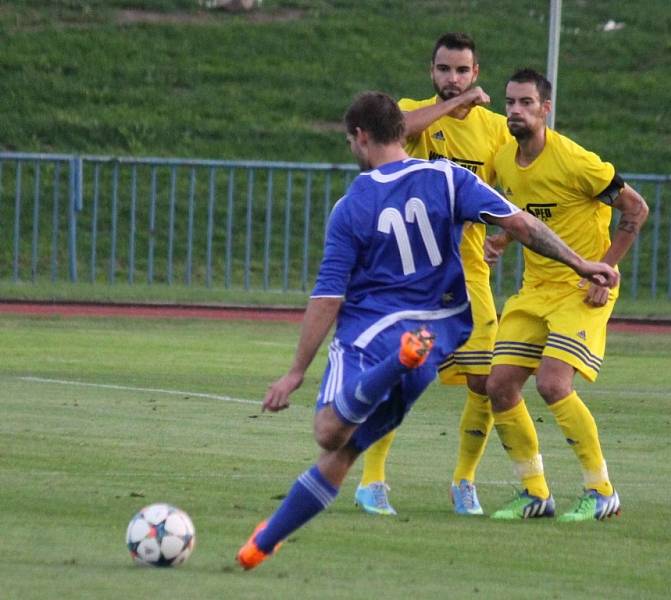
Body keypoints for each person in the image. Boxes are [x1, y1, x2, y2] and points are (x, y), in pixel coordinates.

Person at [236, 91, 619, 570]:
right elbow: (521, 225)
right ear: (402, 130)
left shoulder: (352, 205)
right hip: (437, 334)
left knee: (328, 431)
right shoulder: (450, 178)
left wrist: (295, 371)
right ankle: (262, 544)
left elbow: (328, 296)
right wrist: (582, 262)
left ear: (360, 137)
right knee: (346, 450)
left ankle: (397, 360)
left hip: (373, 335)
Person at [355, 32, 513, 517]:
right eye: (444, 70)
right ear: (432, 72)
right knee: (404, 374)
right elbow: (398, 131)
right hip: (414, 275)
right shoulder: (414, 114)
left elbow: (515, 188)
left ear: (476, 72)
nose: (453, 78)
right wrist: (457, 103)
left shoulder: (496, 130)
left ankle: (464, 481)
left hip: (469, 274)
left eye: (462, 71)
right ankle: (372, 481)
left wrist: (503, 237)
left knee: (484, 381)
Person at [484, 68, 649, 521]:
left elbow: (636, 208)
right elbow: (528, 218)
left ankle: (601, 491)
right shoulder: (502, 160)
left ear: (546, 109)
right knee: (498, 385)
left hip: (583, 287)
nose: (516, 110)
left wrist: (605, 272)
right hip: (535, 289)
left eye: (526, 103)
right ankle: (535, 493)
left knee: (553, 383)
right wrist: (501, 240)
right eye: (510, 102)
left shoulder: (576, 161)